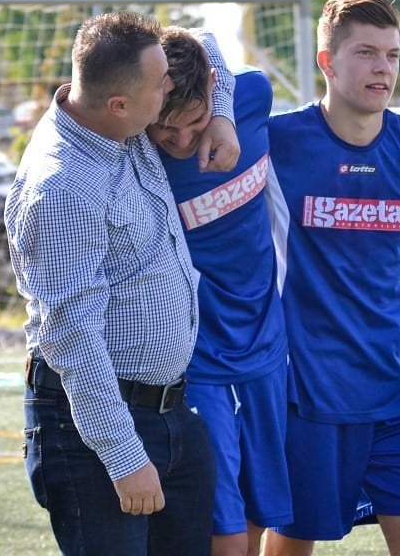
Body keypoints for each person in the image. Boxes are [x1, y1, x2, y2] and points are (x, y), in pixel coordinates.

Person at [262, 0, 400, 556]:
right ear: (327, 62)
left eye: (392, 54)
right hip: (304, 392)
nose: (382, 68)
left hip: (397, 389)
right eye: (365, 52)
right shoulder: (274, 144)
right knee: (292, 545)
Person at [5, 11, 238, 555]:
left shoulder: (115, 119)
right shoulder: (62, 187)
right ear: (120, 103)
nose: (172, 91)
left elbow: (203, 45)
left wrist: (221, 116)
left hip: (170, 410)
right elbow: (72, 338)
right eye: (161, 86)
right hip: (98, 432)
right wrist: (125, 457)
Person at [146, 27, 292, 556]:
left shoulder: (250, 95)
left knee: (262, 506)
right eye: (167, 130)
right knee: (221, 519)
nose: (183, 143)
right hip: (197, 357)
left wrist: (224, 116)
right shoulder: (134, 147)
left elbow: (207, 37)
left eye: (195, 124)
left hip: (268, 344)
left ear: (215, 88)